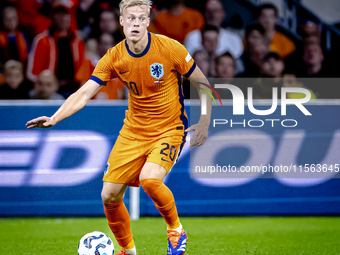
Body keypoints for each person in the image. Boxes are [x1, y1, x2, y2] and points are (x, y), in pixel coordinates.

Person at [26, 1, 212, 255]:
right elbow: (85, 92)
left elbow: (202, 83)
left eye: (141, 18)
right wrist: (55, 117)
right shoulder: (114, 56)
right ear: (121, 22)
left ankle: (176, 231)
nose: (136, 23)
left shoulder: (170, 48)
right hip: (133, 132)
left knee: (150, 180)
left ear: (148, 22)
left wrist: (204, 122)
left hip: (169, 128)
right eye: (130, 18)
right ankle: (127, 250)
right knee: (109, 195)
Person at [26, 1, 86, 98]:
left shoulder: (77, 42)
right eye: (58, 14)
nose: (62, 17)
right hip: (49, 91)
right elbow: (32, 73)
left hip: (73, 90)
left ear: (70, 17)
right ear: (52, 16)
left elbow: (83, 70)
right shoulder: (41, 40)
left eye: (65, 14)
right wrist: (47, 85)